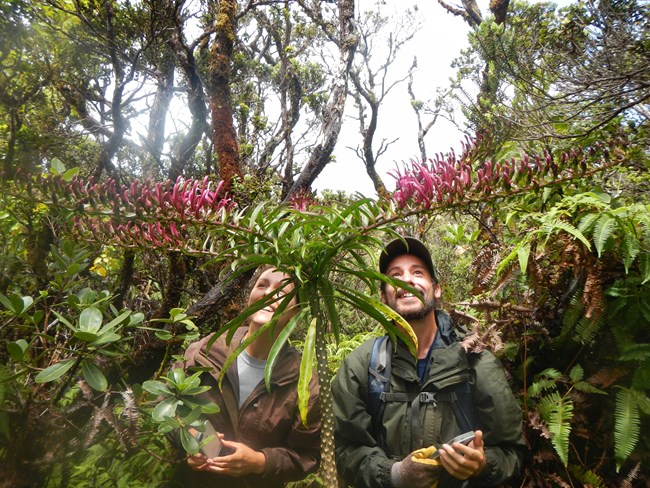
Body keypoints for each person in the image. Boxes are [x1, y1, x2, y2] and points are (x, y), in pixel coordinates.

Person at [332, 237, 524, 488]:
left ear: (436, 288)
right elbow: (345, 449)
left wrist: (482, 465)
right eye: (395, 275)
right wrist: (394, 474)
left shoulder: (476, 361)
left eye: (418, 272)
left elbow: (513, 452)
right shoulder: (361, 365)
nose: (407, 280)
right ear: (383, 296)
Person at [170, 266, 321, 488]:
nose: (268, 294)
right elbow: (167, 404)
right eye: (262, 285)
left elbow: (309, 455)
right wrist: (191, 441)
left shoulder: (304, 381)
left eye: (283, 291)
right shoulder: (204, 351)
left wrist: (260, 462)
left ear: (296, 312)